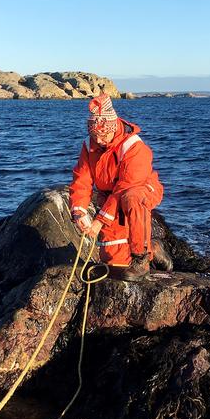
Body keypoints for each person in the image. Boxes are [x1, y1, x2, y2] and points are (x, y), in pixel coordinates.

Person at [69, 94, 167, 281]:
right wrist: (79, 212)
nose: (99, 140)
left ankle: (142, 258)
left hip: (140, 189)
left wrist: (99, 221)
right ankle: (154, 248)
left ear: (113, 128)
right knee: (114, 261)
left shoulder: (134, 147)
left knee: (132, 198)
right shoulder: (90, 145)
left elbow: (124, 187)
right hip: (110, 196)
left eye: (103, 135)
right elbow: (81, 180)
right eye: (95, 136)